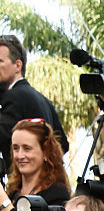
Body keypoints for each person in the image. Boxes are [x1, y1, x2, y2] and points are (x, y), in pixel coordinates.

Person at [0, 34, 67, 170]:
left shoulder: (14, 96)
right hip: (49, 182)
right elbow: (63, 144)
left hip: (26, 185)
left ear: (18, 65)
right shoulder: (42, 99)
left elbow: (2, 136)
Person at [0, 118, 70, 211]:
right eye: (15, 148)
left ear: (46, 152)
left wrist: (4, 203)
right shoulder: (13, 192)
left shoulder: (57, 194)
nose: (20, 155)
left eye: (27, 148)